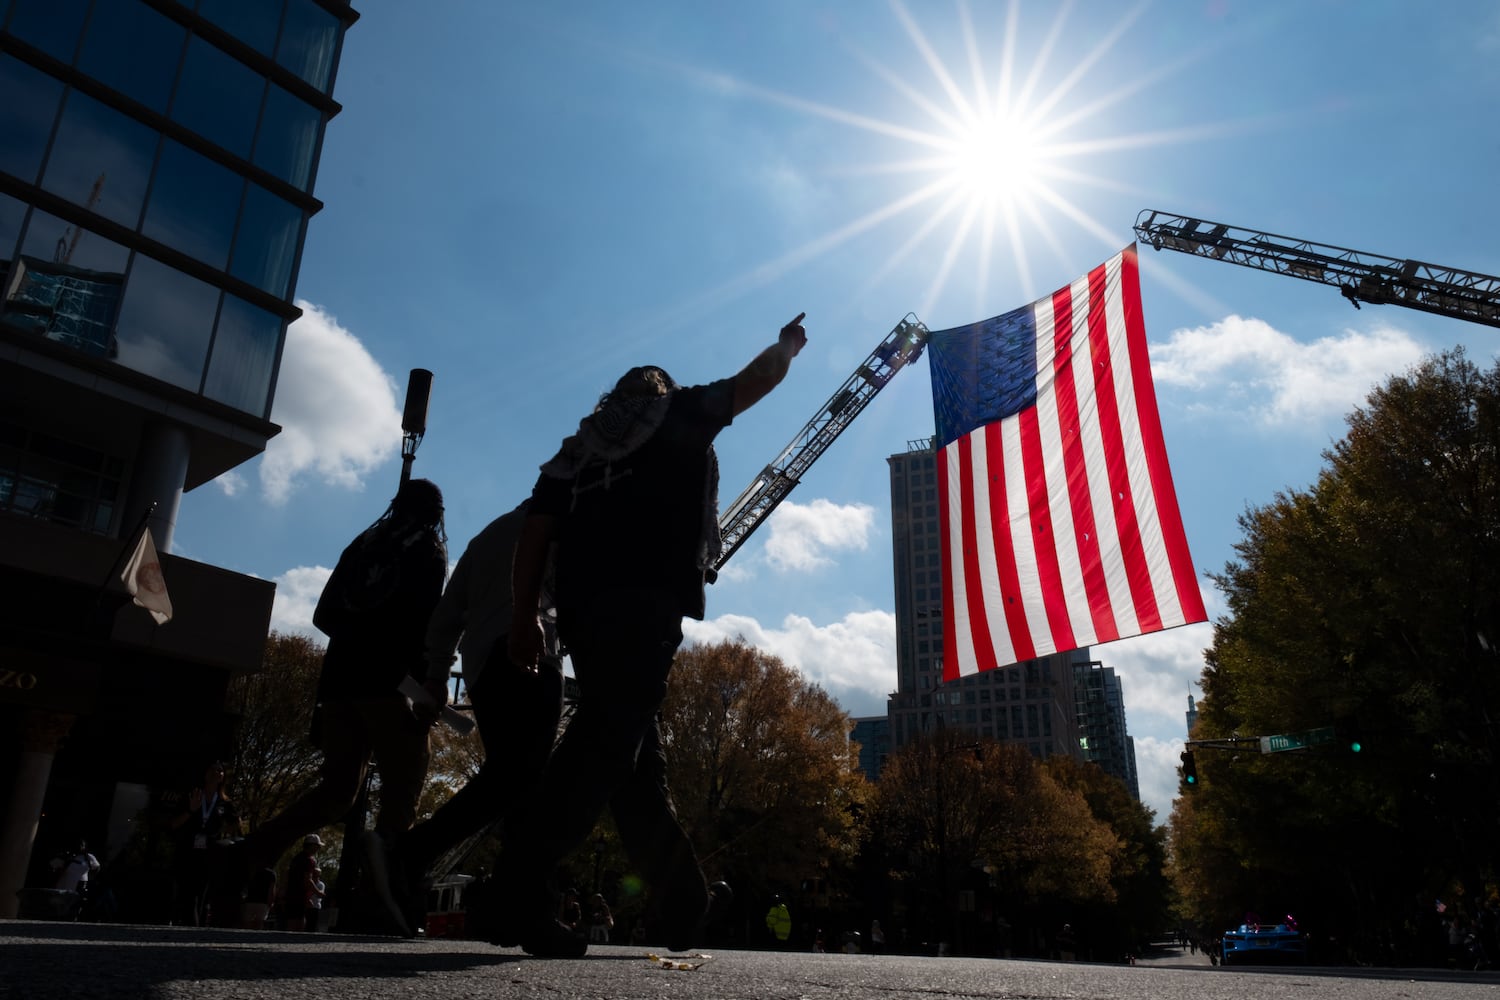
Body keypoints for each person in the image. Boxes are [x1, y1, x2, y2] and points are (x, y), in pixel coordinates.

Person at [499, 312, 809, 958]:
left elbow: (535, 534)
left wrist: (525, 615)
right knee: (604, 745)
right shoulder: (676, 417)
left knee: (637, 765)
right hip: (645, 610)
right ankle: (519, 887)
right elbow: (751, 385)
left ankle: (684, 903)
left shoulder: (577, 448)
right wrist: (787, 346)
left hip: (585, 615)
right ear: (662, 391)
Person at [237, 479, 446, 933]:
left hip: (337, 686)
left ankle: (249, 854)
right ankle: (379, 897)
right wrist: (427, 682)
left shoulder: (363, 543)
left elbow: (322, 616)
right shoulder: (428, 549)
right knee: (403, 786)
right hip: (392, 686)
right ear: (435, 513)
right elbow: (425, 624)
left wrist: (356, 637)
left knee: (335, 793)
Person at [373, 500, 566, 935]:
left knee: (512, 779)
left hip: (482, 666)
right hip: (532, 652)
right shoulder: (565, 524)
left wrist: (439, 674)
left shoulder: (488, 537)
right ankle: (417, 851)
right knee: (524, 779)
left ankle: (517, 904)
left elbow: (445, 617)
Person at [167, 761, 242, 927]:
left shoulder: (225, 803)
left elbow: (235, 827)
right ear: (205, 774)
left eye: (220, 770)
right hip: (187, 851)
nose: (217, 772)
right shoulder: (192, 795)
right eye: (213, 769)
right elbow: (173, 824)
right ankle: (189, 927)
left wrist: (233, 824)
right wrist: (191, 811)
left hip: (209, 853)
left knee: (201, 894)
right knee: (188, 892)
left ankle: (194, 929)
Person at [281, 834, 323, 932]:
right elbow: (307, 880)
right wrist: (318, 893)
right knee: (299, 921)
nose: (318, 848)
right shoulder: (309, 861)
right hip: (300, 895)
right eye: (317, 846)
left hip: (291, 894)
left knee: (292, 920)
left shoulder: (296, 858)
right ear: (312, 846)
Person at [50, 838, 99, 919]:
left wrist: (91, 877)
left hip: (81, 883)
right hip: (65, 883)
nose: (79, 847)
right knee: (63, 901)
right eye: (78, 845)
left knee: (78, 901)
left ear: (84, 846)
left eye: (82, 845)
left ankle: (74, 917)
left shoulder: (88, 857)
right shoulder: (66, 856)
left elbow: (97, 867)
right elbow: (52, 866)